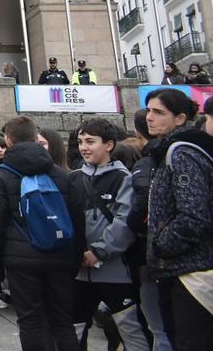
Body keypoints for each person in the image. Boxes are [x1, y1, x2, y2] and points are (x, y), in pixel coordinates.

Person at [0, 115, 85, 351]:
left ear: (8, 140)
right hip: (60, 255)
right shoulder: (60, 174)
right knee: (62, 321)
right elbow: (77, 219)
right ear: (35, 137)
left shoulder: (1, 175)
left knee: (30, 320)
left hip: (21, 260)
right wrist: (75, 257)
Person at [70, 118, 149, 351]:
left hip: (116, 271)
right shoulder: (73, 178)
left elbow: (125, 221)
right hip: (80, 272)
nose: (84, 147)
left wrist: (99, 251)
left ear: (109, 145)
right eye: (81, 141)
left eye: (91, 141)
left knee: (130, 329)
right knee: (73, 329)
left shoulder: (123, 178)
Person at [144, 89, 213, 351]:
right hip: (182, 268)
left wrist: (162, 246)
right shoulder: (170, 149)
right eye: (148, 110)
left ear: (180, 118)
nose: (149, 117)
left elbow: (194, 215)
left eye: (158, 112)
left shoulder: (182, 152)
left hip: (191, 270)